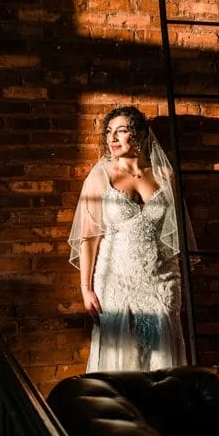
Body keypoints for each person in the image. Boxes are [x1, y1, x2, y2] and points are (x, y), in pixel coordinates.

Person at [67, 105, 189, 372]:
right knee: (122, 357)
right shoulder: (100, 177)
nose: (112, 139)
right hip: (115, 282)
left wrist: (177, 282)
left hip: (162, 280)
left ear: (139, 135)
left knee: (163, 359)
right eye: (109, 132)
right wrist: (85, 289)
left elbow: (173, 235)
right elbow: (89, 237)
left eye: (121, 131)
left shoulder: (164, 176)